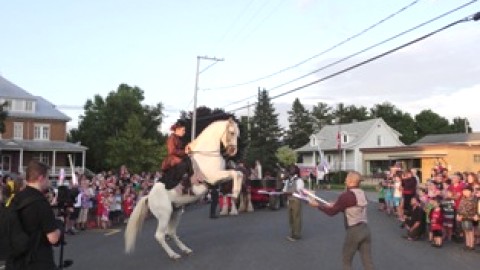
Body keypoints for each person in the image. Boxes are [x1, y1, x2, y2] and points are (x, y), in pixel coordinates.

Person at [308, 171, 374, 270]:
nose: (345, 180)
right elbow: (349, 208)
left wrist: (318, 206)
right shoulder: (362, 193)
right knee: (367, 261)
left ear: (351, 181)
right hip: (365, 229)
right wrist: (335, 205)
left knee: (346, 261)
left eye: (347, 178)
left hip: (354, 231)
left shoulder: (346, 195)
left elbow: (332, 212)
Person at [6, 160, 61, 270]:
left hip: (15, 259)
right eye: (48, 178)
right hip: (38, 260)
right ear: (41, 178)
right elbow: (53, 238)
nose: (48, 181)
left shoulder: (16, 198)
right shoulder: (40, 202)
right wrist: (59, 227)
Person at [160, 119, 193, 193]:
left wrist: (187, 150)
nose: (184, 132)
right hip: (172, 159)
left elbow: (181, 150)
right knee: (183, 164)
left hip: (177, 157)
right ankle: (178, 184)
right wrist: (184, 151)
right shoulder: (171, 138)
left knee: (189, 160)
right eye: (183, 130)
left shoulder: (178, 138)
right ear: (177, 129)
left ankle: (188, 184)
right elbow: (172, 151)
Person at [283, 165, 304, 242]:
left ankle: (297, 234)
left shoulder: (299, 180)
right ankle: (292, 233)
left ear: (295, 171)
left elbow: (299, 190)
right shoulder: (288, 180)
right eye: (290, 169)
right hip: (289, 200)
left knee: (296, 217)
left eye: (292, 169)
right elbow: (285, 189)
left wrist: (288, 192)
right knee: (290, 218)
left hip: (296, 200)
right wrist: (285, 192)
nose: (290, 170)